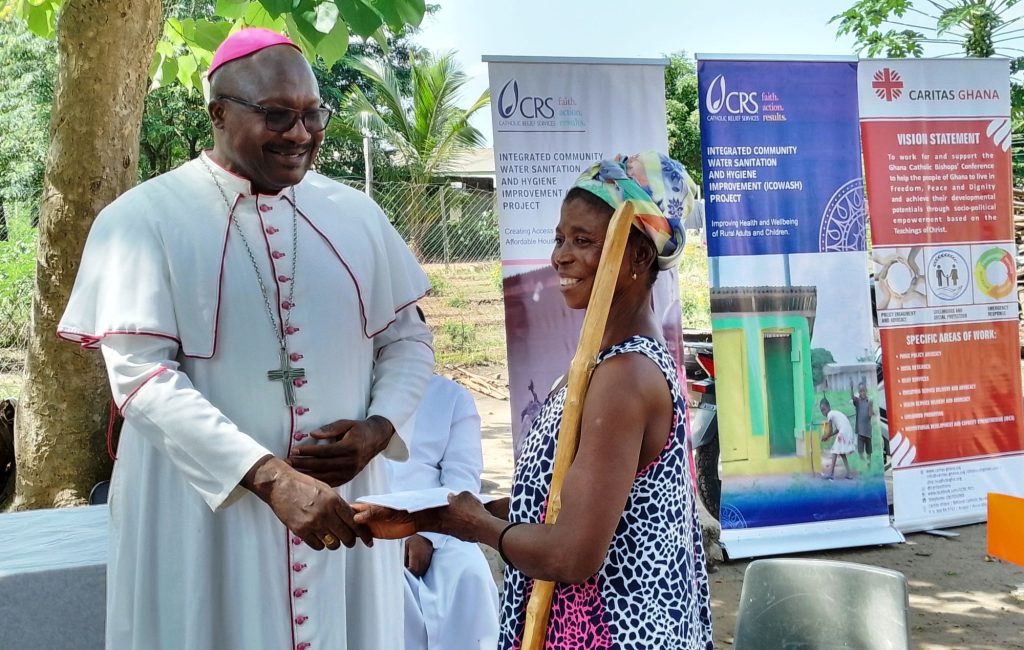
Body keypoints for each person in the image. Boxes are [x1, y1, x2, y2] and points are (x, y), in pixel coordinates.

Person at [57, 28, 433, 650]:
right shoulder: (142, 219)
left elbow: (409, 343)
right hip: (206, 516)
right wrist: (269, 477)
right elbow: (141, 377)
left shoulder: (357, 215)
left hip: (340, 506)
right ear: (218, 114)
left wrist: (379, 427)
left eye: (313, 114)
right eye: (277, 115)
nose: (300, 133)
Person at [356, 152, 714, 649]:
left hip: (608, 631)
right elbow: (562, 503)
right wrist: (434, 517)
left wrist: (476, 525)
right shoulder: (603, 362)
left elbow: (572, 554)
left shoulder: (624, 375)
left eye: (583, 241)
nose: (560, 256)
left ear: (638, 257)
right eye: (560, 238)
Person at [390, 319, 500, 649]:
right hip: (373, 527)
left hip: (442, 523)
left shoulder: (451, 397)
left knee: (469, 574)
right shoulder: (353, 399)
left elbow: (462, 481)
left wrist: (426, 534)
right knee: (389, 590)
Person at [820, 398, 856, 479]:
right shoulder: (834, 413)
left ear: (828, 407)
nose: (823, 412)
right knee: (841, 453)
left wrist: (824, 437)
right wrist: (830, 435)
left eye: (824, 409)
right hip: (847, 430)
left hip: (844, 431)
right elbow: (837, 429)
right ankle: (849, 473)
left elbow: (830, 431)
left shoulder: (830, 414)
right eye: (822, 411)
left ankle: (831, 474)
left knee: (834, 450)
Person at [851, 382, 873, 465]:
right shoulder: (857, 401)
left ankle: (869, 465)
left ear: (866, 391)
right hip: (860, 431)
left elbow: (870, 415)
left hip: (868, 432)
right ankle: (865, 462)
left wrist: (870, 406)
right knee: (860, 452)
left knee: (869, 452)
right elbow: (852, 397)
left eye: (864, 391)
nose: (862, 392)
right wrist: (851, 388)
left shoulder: (869, 401)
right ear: (859, 392)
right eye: (860, 391)